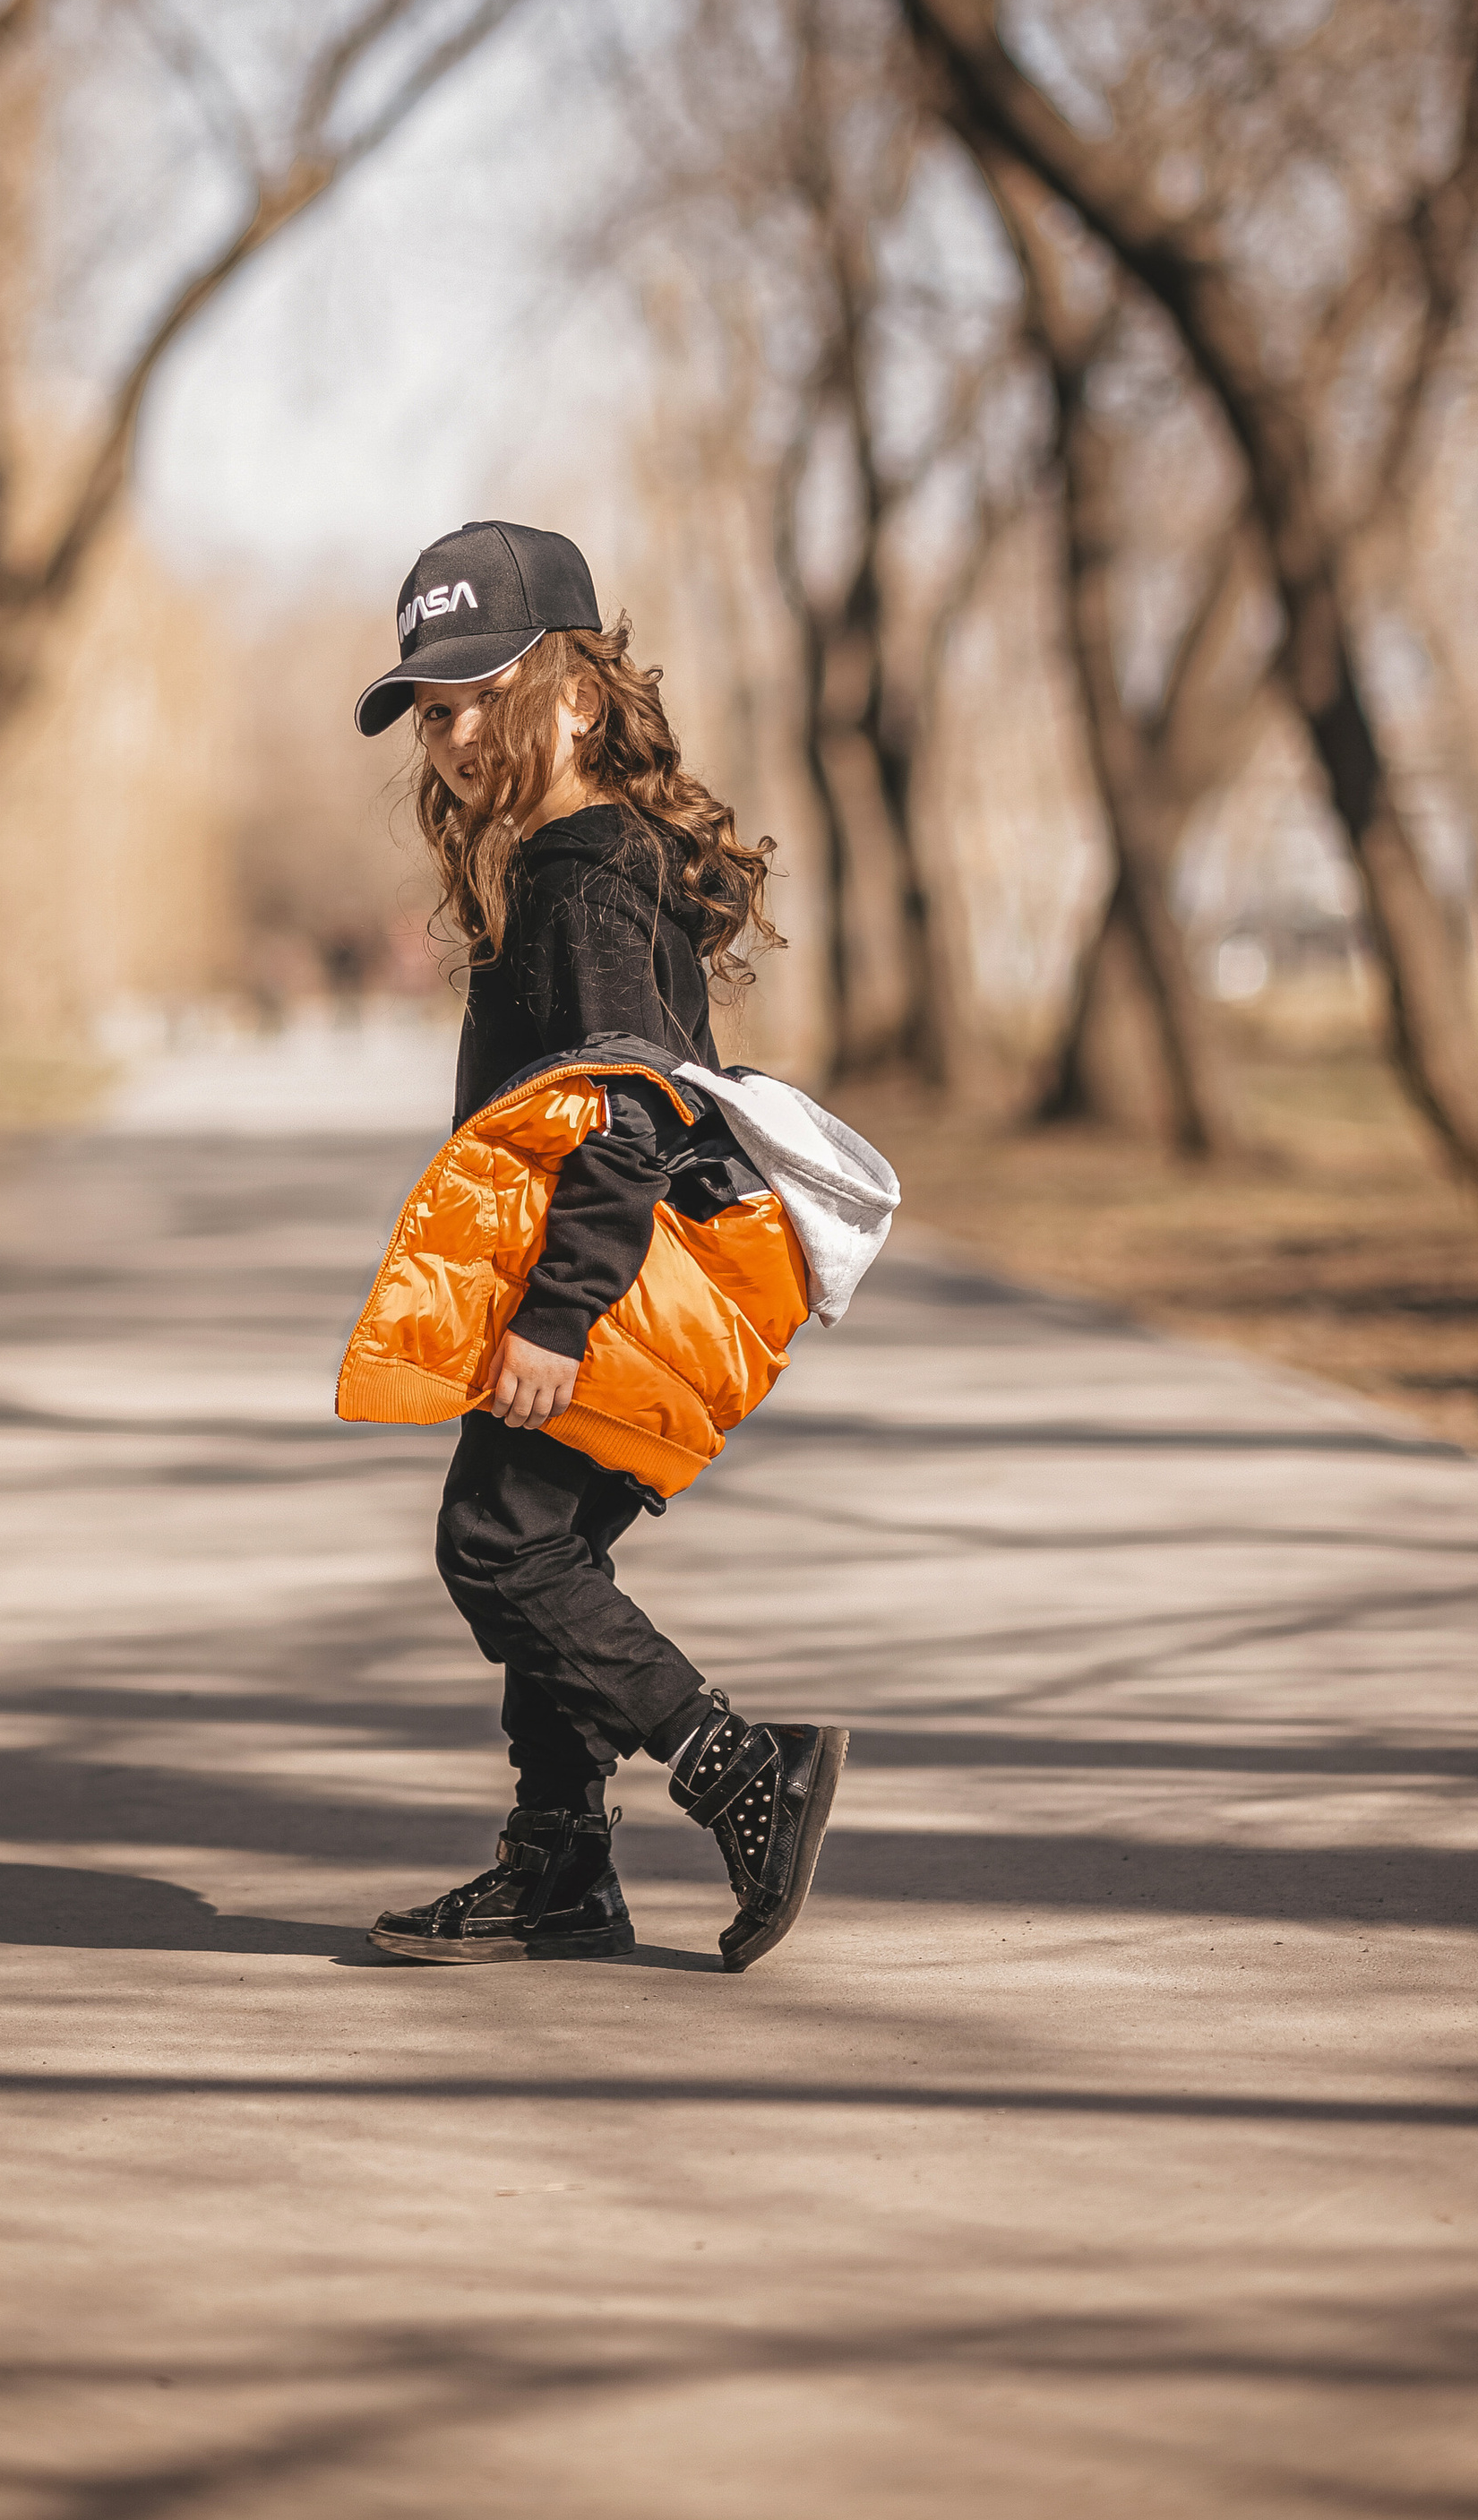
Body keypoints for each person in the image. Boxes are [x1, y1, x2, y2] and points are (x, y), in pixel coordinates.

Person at [335, 519, 896, 1971]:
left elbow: (626, 1114)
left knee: (497, 1544)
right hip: (610, 1279)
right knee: (546, 1554)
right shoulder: (586, 857)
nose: (449, 736)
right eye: (429, 711)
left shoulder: (585, 869)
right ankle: (560, 1867)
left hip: (607, 1285)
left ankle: (743, 1773)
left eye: (473, 697)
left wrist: (553, 1319)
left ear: (576, 692)